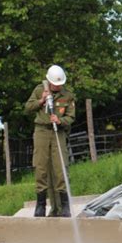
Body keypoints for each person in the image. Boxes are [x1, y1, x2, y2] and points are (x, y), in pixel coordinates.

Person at [25, 65, 75, 217]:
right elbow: (28, 108)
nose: (58, 87)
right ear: (49, 80)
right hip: (41, 131)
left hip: (58, 132)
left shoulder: (68, 95)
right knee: (41, 167)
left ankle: (64, 205)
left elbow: (71, 117)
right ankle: (40, 205)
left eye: (60, 84)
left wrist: (60, 120)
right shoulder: (40, 89)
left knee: (60, 167)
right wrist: (41, 101)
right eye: (55, 84)